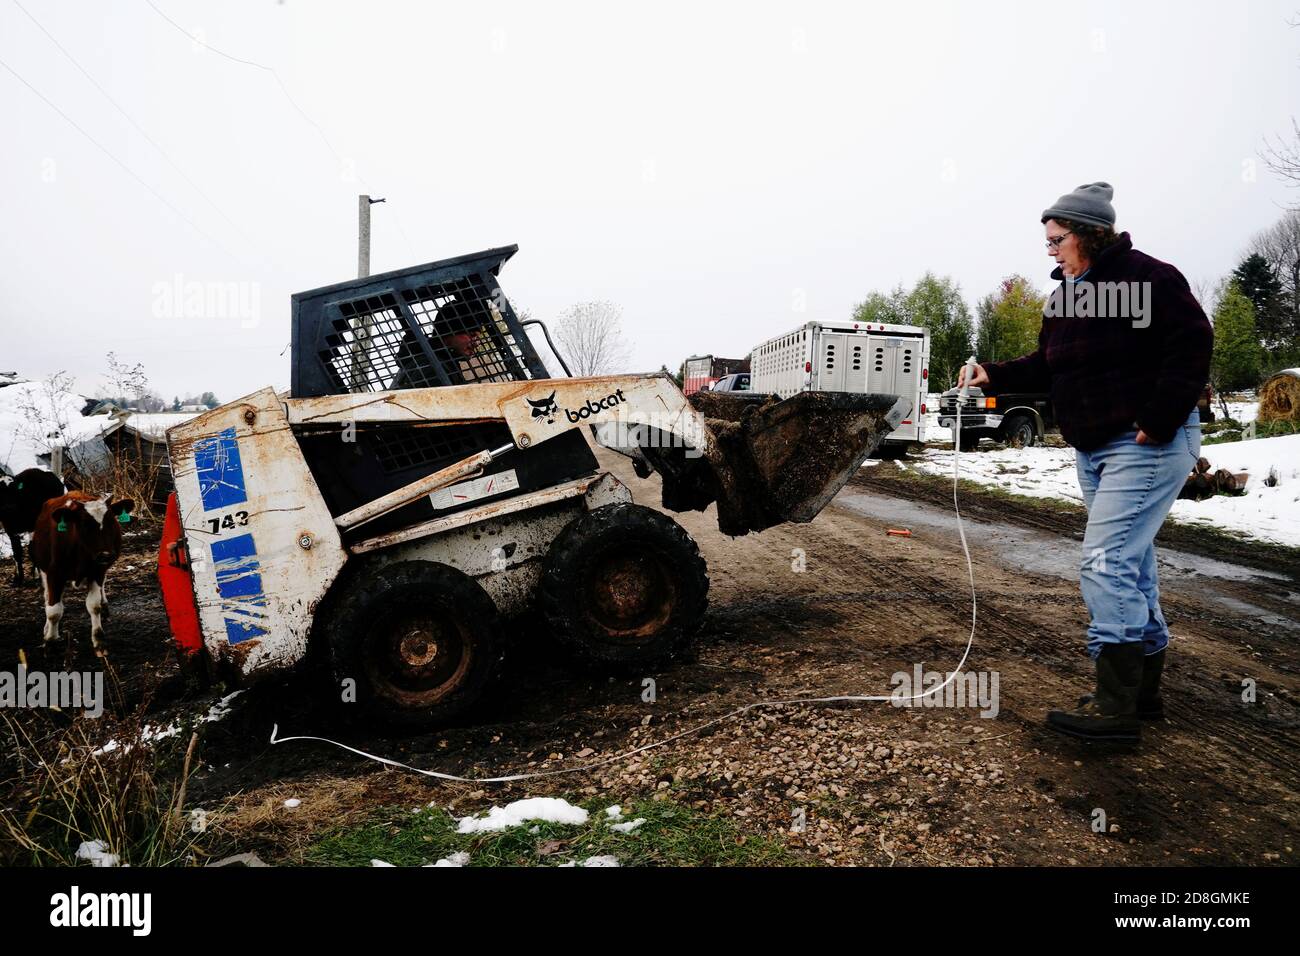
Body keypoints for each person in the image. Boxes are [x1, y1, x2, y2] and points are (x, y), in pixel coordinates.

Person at [959, 182, 1213, 744]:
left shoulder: (1149, 278)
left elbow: (1193, 344)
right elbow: (1048, 365)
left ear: (1091, 233)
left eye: (1057, 239)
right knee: (1131, 564)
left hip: (1145, 443)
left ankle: (1114, 709)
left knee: (1104, 561)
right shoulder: (1067, 297)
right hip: (1093, 448)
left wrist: (1162, 416)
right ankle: (1139, 694)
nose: (1049, 250)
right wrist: (993, 375)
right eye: (1047, 242)